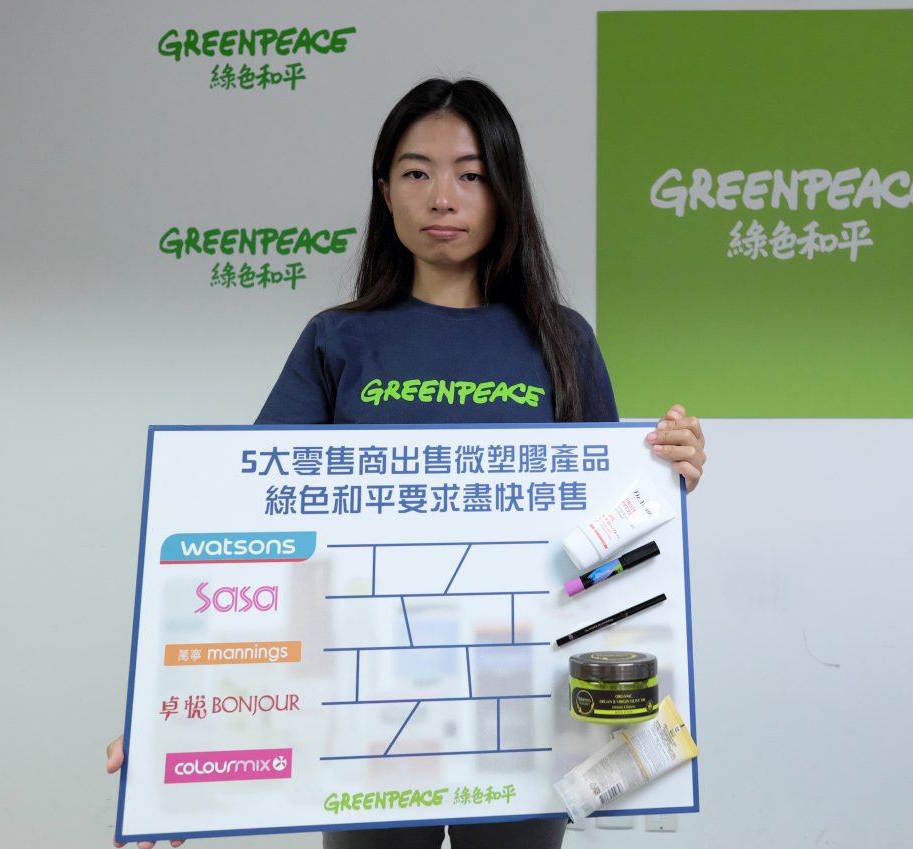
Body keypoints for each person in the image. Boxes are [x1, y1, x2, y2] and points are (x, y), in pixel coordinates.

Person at [107, 77, 706, 849]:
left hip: (525, 700)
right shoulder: (336, 340)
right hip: (368, 710)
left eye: (471, 174)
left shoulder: (562, 340)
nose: (442, 197)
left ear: (506, 191)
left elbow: (612, 545)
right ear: (385, 191)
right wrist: (174, 728)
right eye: (417, 172)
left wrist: (669, 473)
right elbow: (248, 538)